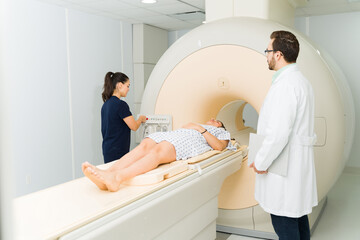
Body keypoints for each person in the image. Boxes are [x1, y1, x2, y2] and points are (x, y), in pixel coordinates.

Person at [249, 31, 318, 240]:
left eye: (268, 51)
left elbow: (278, 134)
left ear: (278, 54)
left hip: (285, 171)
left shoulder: (286, 86)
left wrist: (260, 161)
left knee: (285, 226)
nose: (266, 55)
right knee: (298, 219)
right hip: (294, 168)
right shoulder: (300, 81)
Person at [82, 119, 235, 192]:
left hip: (187, 141)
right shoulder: (198, 124)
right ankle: (108, 174)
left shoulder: (220, 133)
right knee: (144, 146)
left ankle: (118, 178)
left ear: (220, 126)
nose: (213, 120)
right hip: (175, 134)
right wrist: (194, 126)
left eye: (217, 121)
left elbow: (220, 147)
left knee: (158, 152)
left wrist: (199, 128)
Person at [101, 72, 146, 163]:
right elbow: (133, 126)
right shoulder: (121, 105)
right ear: (120, 85)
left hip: (107, 149)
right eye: (127, 86)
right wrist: (141, 119)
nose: (128, 89)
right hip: (118, 151)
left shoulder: (105, 105)